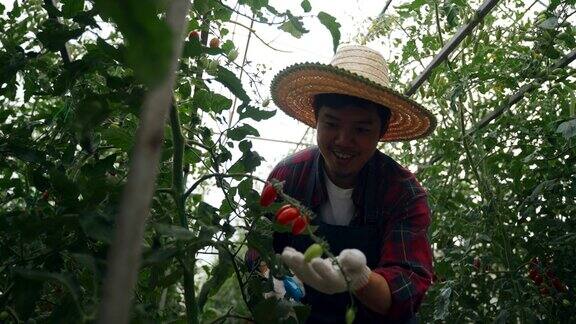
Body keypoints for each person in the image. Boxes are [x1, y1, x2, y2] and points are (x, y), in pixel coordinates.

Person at [264, 44, 437, 323]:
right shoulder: (287, 178)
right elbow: (258, 246)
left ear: (381, 132)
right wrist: (270, 279)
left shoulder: (402, 192)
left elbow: (408, 285)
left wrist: (361, 280)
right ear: (316, 120)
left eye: (361, 129)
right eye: (331, 124)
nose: (343, 140)